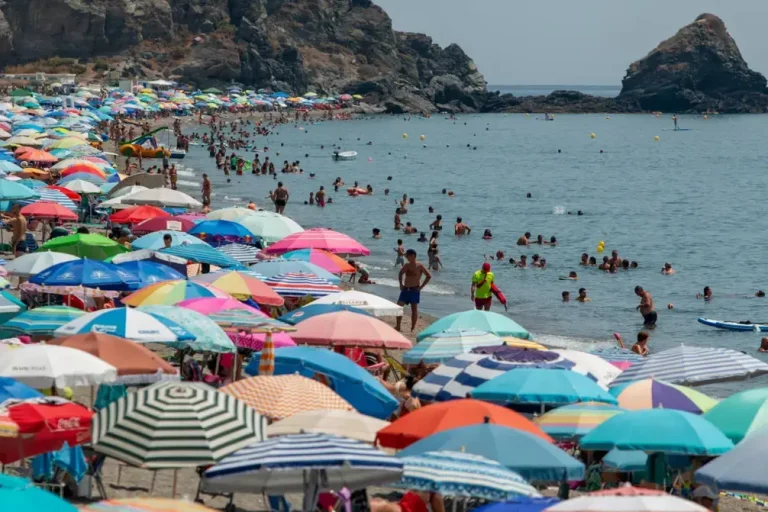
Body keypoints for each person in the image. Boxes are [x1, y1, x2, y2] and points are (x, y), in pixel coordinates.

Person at [395, 249, 431, 332]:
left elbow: (428, 276)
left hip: (415, 290)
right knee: (399, 307)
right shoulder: (407, 265)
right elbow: (400, 273)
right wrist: (400, 284)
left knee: (414, 309)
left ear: (413, 256)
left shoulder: (420, 265)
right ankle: (398, 326)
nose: (406, 257)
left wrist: (421, 287)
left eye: (407, 255)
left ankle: (412, 328)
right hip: (405, 290)